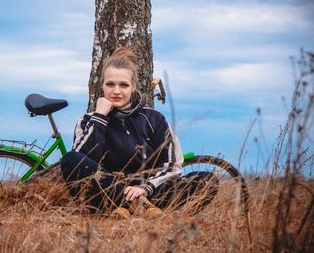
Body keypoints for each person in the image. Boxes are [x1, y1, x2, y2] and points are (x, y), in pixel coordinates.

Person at [60, 46, 218, 217]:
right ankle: (133, 208)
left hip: (151, 194)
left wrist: (144, 189)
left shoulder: (154, 119)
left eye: (124, 85)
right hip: (107, 196)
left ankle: (142, 208)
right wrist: (99, 117)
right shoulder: (87, 121)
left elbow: (173, 165)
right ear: (102, 86)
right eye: (110, 84)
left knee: (207, 180)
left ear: (133, 87)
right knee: (70, 159)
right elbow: (81, 161)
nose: (116, 91)